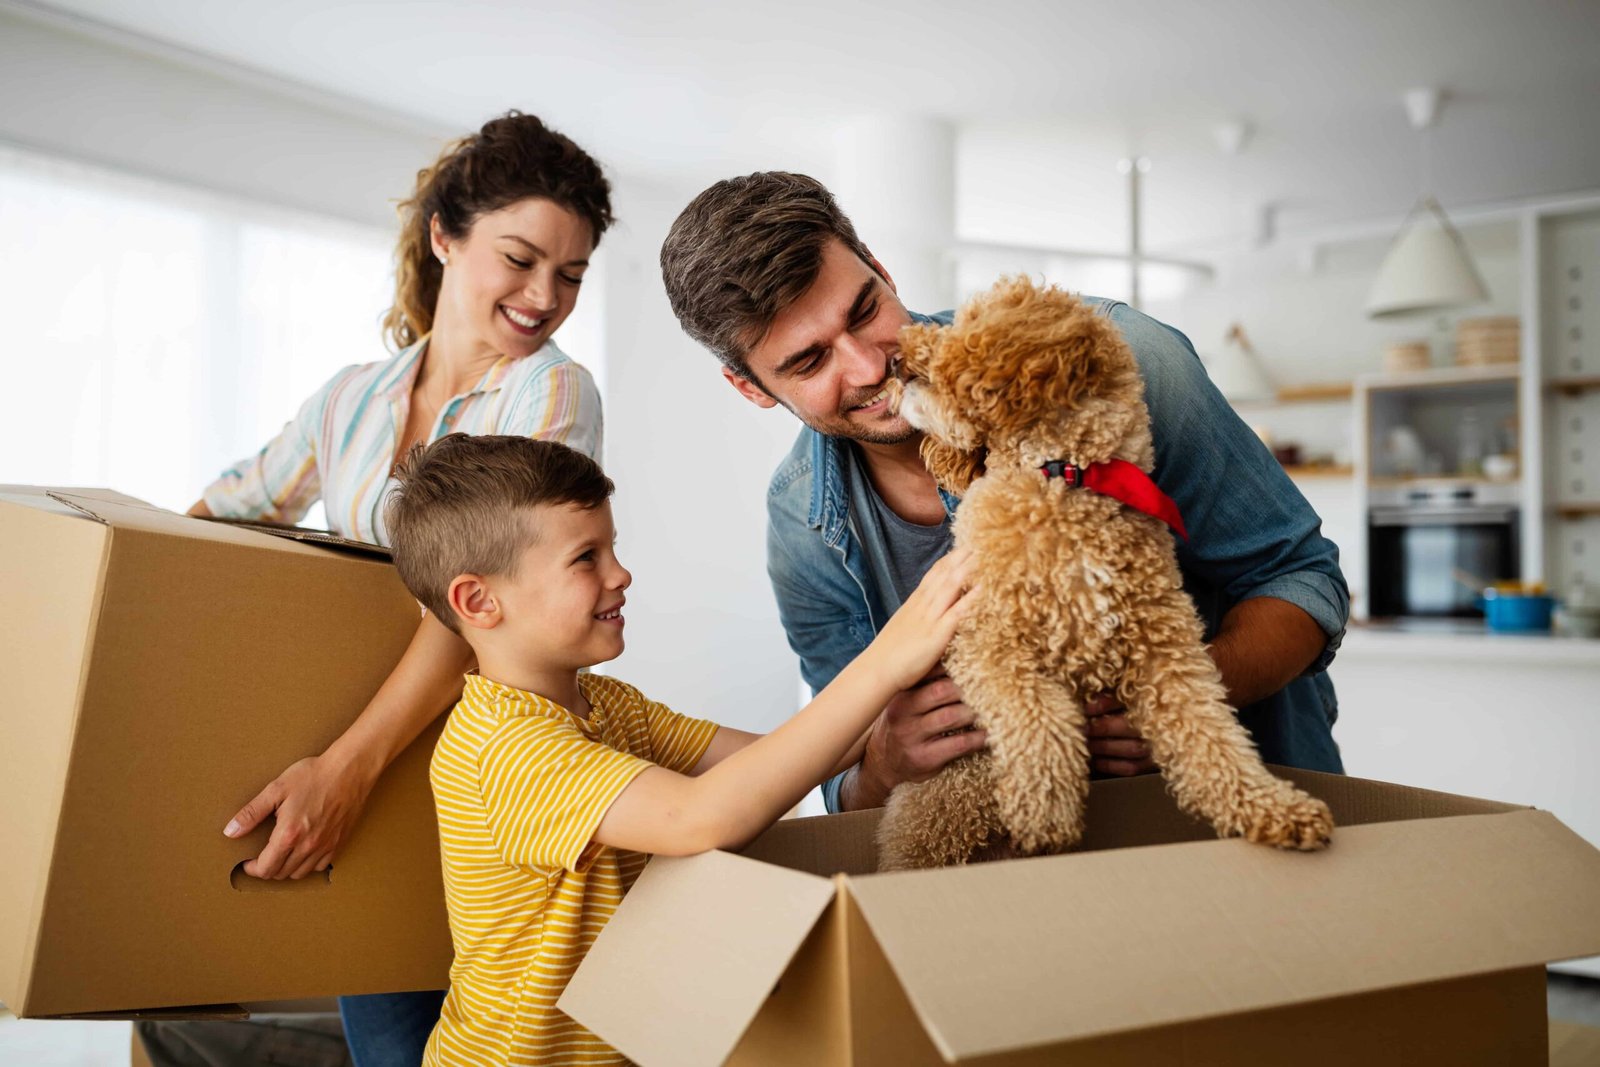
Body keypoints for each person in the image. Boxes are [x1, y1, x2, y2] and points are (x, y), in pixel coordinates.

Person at [658, 171, 1348, 817]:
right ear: (751, 387)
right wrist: (885, 766)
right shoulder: (800, 522)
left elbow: (1303, 578)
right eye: (810, 361)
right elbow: (841, 769)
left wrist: (1178, 699)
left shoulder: (1109, 361)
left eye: (865, 310)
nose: (872, 366)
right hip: (1026, 883)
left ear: (880, 267)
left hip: (1244, 817)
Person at [157, 112, 613, 1067]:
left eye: (569, 275)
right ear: (447, 235)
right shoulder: (351, 400)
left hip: (491, 779)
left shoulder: (550, 396)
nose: (545, 297)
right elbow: (227, 506)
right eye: (521, 259)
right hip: (369, 762)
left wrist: (346, 771)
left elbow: (484, 605)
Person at [383, 433, 974, 1066]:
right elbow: (704, 816)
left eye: (614, 548)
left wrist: (900, 721)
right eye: (586, 558)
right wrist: (887, 659)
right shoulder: (502, 747)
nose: (621, 574)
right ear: (479, 601)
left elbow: (778, 760)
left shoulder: (608, 706)